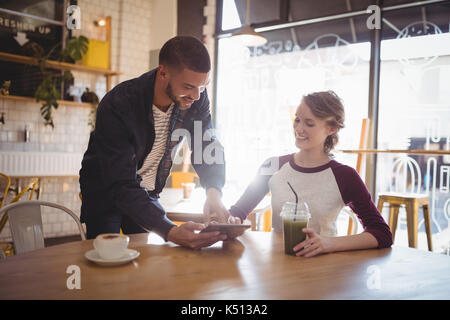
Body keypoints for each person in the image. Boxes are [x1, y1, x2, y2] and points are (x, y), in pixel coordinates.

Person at [79, 36, 230, 249]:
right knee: (107, 260)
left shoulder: (195, 98)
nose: (196, 96)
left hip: (146, 194)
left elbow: (207, 144)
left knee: (145, 259)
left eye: (202, 86)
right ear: (162, 73)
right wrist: (170, 230)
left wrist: (213, 192)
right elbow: (120, 183)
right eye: (188, 86)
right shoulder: (119, 104)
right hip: (106, 193)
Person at [228, 91, 393, 257]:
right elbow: (237, 213)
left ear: (331, 128)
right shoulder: (272, 166)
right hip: (278, 265)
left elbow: (382, 233)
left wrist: (330, 243)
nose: (299, 129)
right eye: (297, 120)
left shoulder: (345, 176)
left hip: (323, 271)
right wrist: (231, 221)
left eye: (309, 123)